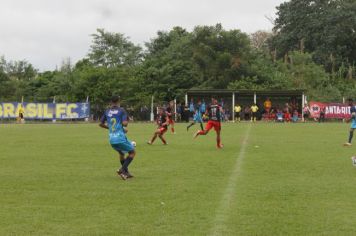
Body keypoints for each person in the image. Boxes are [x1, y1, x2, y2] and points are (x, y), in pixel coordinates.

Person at [99, 95, 136, 180]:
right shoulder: (121, 110)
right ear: (119, 101)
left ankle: (126, 173)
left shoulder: (107, 111)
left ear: (111, 102)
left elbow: (100, 124)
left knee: (122, 154)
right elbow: (125, 123)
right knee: (132, 152)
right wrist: (127, 120)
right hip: (120, 138)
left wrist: (111, 129)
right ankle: (122, 170)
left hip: (112, 139)